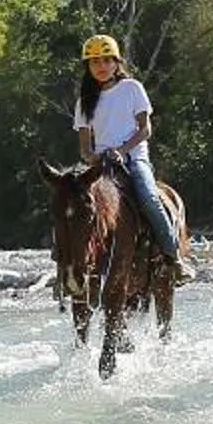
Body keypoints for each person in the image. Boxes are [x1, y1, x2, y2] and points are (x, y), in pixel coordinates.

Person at [71, 34, 181, 265]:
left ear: (116, 62)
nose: (101, 66)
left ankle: (173, 255)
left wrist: (121, 150)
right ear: (88, 66)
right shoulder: (84, 101)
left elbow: (145, 129)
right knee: (70, 202)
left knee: (149, 197)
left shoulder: (132, 88)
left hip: (133, 157)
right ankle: (69, 265)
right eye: (95, 62)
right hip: (101, 164)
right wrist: (93, 158)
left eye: (106, 60)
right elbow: (84, 147)